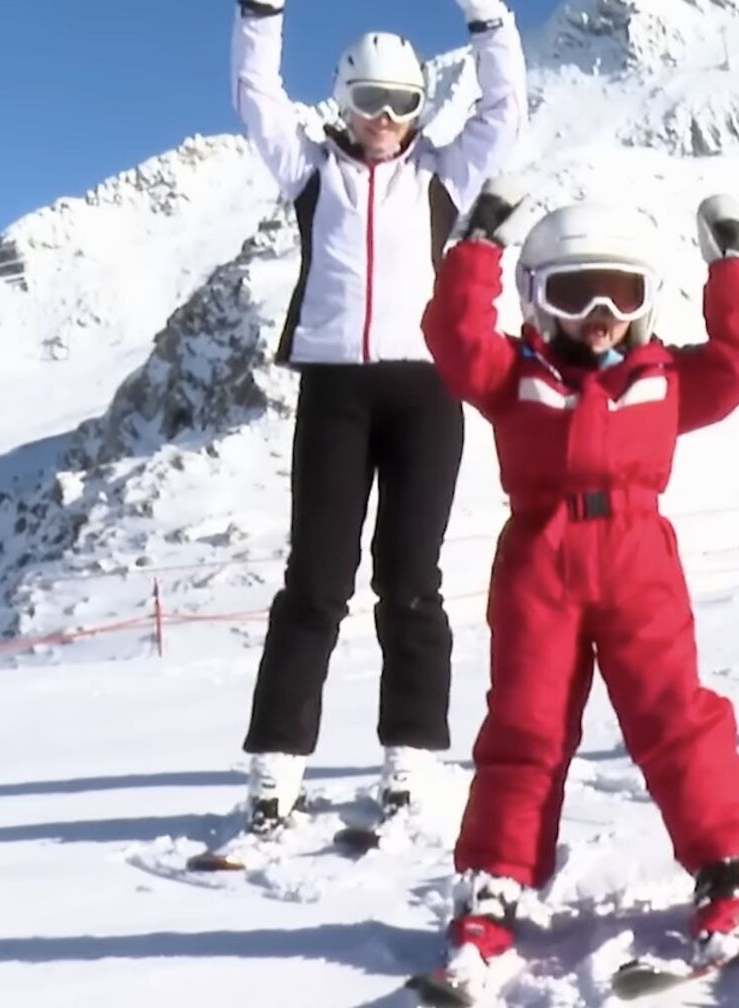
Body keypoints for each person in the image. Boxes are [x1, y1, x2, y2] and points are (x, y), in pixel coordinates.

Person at [415, 181, 739, 983]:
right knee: (526, 724)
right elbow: (453, 337)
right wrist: (476, 247)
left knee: (671, 713)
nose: (600, 314)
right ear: (536, 299)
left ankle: (734, 864)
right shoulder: (514, 373)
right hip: (538, 560)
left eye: (622, 293)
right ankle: (495, 879)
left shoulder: (664, 376)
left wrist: (730, 265)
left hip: (637, 557)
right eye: (575, 293)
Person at [229, 0, 528, 836]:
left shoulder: (442, 176)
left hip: (426, 391)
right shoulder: (309, 171)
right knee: (316, 582)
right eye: (369, 102)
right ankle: (276, 764)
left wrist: (490, 22)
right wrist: (261, 14)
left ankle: (411, 756)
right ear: (343, 100)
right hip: (335, 391)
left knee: (411, 580)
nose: (385, 120)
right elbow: (255, 94)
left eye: (402, 103)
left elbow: (505, 109)